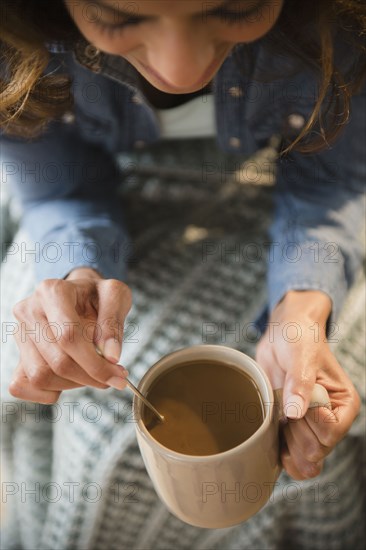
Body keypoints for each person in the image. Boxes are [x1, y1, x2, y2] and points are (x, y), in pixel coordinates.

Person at [1, 1, 365, 549]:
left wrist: (303, 309)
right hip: (106, 203)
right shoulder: (15, 41)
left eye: (238, 8)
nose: (182, 70)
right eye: (121, 19)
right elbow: (60, 189)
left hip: (278, 202)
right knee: (85, 431)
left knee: (325, 426)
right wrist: (78, 268)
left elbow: (329, 185)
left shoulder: (341, 25)